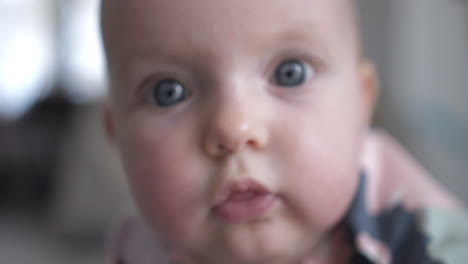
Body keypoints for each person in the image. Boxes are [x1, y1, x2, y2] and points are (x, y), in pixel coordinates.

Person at [100, 0, 468, 263]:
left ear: (362, 101)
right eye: (169, 93)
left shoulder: (429, 239)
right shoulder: (138, 244)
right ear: (117, 136)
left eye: (290, 72)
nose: (234, 128)